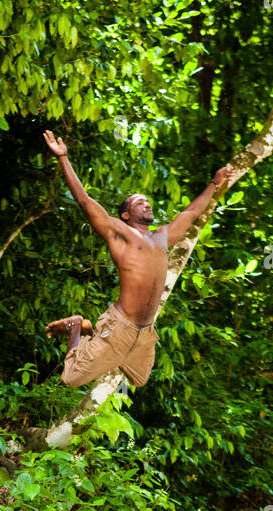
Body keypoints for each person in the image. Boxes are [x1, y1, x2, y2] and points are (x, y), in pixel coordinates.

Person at [42, 129, 233, 390]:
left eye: (148, 202)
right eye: (138, 202)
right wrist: (63, 158)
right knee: (71, 378)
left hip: (145, 333)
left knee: (140, 381)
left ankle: (93, 335)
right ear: (125, 215)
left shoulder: (163, 236)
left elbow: (190, 213)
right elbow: (85, 202)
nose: (147, 205)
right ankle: (77, 326)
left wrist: (215, 183)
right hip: (121, 325)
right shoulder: (120, 234)